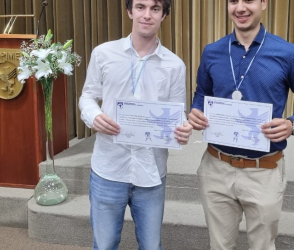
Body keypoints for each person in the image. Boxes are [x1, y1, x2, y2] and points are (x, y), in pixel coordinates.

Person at [188, 0, 294, 249]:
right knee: (219, 246)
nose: (240, 8)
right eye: (233, 1)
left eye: (248, 0)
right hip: (216, 167)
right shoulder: (212, 51)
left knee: (262, 246)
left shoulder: (286, 53)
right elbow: (201, 95)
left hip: (264, 170)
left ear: (263, 3)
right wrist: (196, 110)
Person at [78, 0, 192, 249]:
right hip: (109, 168)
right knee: (105, 245)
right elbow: (88, 96)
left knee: (151, 246)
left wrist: (182, 128)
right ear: (130, 11)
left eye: (155, 9)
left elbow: (177, 112)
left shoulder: (175, 65)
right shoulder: (103, 53)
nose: (147, 15)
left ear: (164, 15)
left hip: (151, 172)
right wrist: (94, 115)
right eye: (140, 7)